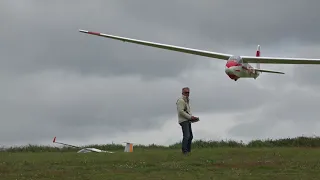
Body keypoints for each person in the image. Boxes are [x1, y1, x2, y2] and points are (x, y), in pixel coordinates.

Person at [176, 87, 199, 155]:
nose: (187, 94)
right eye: (186, 92)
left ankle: (188, 151)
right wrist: (190, 117)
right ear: (182, 93)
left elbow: (185, 111)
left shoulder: (186, 100)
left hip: (187, 120)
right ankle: (185, 151)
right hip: (184, 120)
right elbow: (181, 111)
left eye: (188, 92)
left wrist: (191, 118)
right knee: (187, 136)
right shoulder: (181, 100)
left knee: (190, 136)